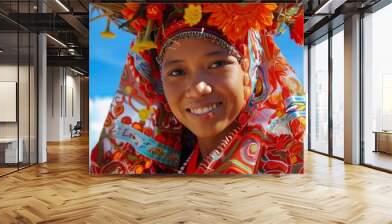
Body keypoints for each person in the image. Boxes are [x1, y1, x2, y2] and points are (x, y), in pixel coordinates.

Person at [90, 3, 306, 174]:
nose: (198, 88)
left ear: (248, 67)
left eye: (217, 64)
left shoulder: (282, 166)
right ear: (158, 83)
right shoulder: (160, 169)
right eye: (177, 72)